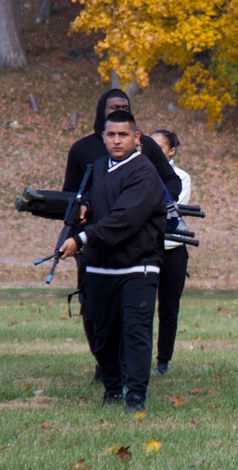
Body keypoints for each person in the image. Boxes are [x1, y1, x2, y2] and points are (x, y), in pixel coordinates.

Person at [63, 89, 181, 381]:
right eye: (112, 107)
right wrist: (83, 211)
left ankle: (134, 387)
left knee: (136, 322)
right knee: (97, 317)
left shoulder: (145, 155)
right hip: (96, 248)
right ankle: (107, 373)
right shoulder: (86, 153)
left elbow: (168, 184)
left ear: (135, 136)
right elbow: (72, 194)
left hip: (135, 251)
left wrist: (157, 208)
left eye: (124, 107)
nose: (117, 140)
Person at [151, 129, 191, 376]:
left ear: (172, 151)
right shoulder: (136, 170)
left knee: (168, 307)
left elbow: (172, 209)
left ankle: (163, 361)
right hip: (143, 249)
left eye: (159, 147)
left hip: (173, 249)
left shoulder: (181, 177)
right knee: (140, 307)